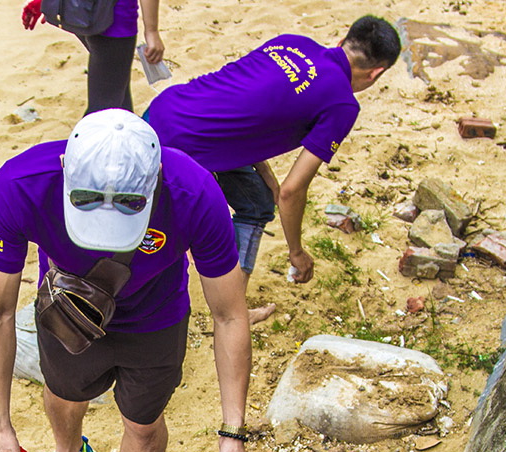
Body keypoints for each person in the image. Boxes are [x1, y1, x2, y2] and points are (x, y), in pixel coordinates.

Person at [0, 108, 250, 452]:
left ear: (155, 181)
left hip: (156, 316)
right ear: (64, 168)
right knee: (63, 391)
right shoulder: (21, 185)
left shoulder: (196, 194)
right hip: (70, 307)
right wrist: (1, 427)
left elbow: (231, 316)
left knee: (143, 422)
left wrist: (232, 431)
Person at [144, 16, 401, 321]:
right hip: (179, 149)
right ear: (376, 73)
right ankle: (232, 314)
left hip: (165, 109)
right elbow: (293, 191)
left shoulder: (293, 42)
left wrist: (267, 175)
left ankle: (234, 303)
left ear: (342, 41)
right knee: (152, 236)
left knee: (258, 201)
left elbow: (246, 107)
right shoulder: (342, 105)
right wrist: (296, 252)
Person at [21, 0, 164, 114]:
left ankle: (128, 143)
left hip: (79, 11)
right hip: (113, 22)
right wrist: (151, 31)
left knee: (115, 90)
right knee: (103, 111)